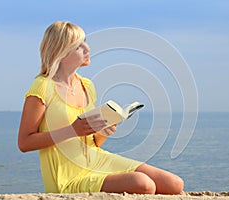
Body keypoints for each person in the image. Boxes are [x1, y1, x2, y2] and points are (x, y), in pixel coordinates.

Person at [18, 21, 184, 194]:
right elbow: (24, 142)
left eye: (85, 41)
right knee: (144, 184)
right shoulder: (42, 87)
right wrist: (73, 130)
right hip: (68, 174)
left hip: (97, 159)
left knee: (174, 184)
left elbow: (93, 142)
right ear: (62, 53)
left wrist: (104, 130)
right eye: (78, 46)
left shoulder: (87, 85)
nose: (87, 48)